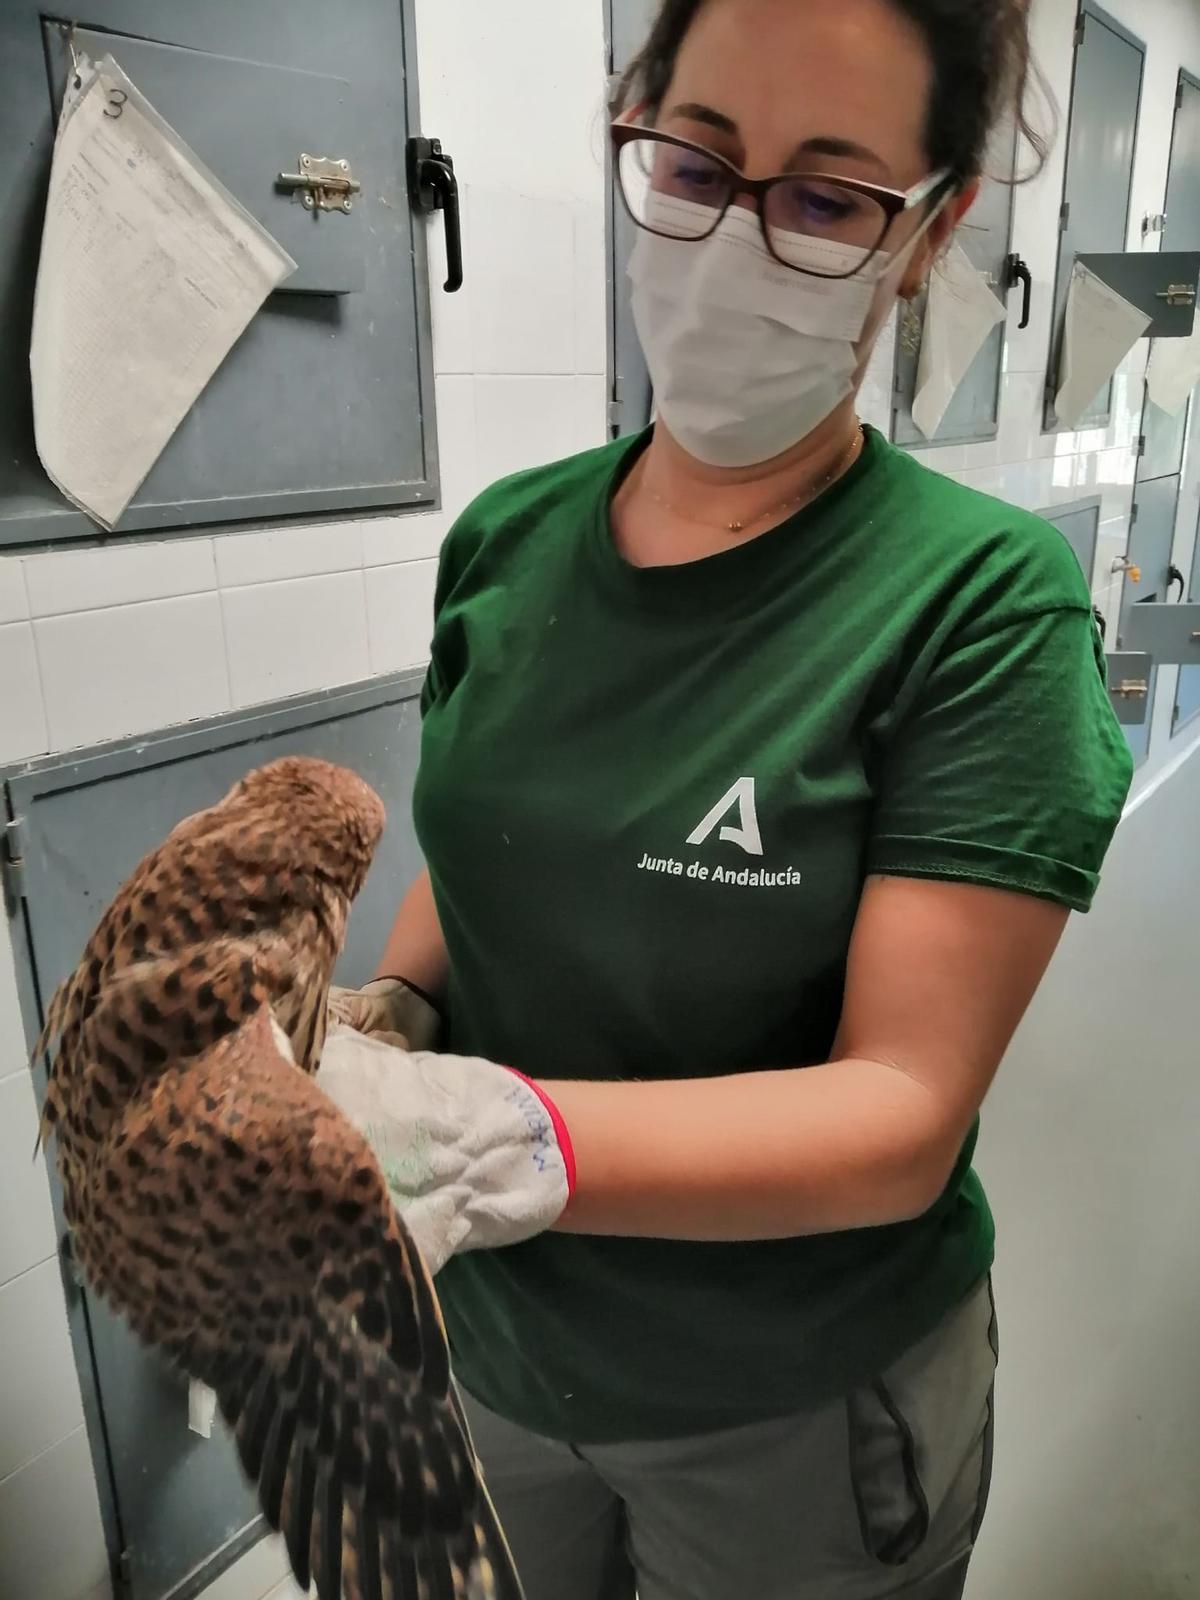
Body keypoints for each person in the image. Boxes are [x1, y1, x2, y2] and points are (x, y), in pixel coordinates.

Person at [318, 2, 1134, 1595]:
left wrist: (486, 1142)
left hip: (788, 1413)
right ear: (634, 124)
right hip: (488, 1357)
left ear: (930, 230)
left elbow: (898, 1113)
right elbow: (485, 853)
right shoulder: (504, 541)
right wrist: (397, 1011)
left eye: (828, 200)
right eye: (695, 165)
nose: (736, 246)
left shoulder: (977, 606)